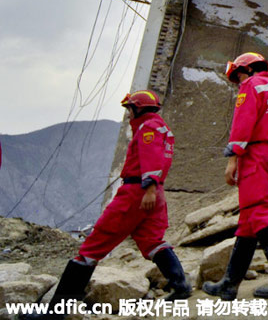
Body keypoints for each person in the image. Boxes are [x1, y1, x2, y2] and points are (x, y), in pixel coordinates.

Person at [23, 91, 190, 320]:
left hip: (137, 193)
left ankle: (54, 313)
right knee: (152, 241)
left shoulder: (147, 128)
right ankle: (180, 285)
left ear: (138, 108)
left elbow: (151, 158)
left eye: (130, 108)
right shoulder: (162, 127)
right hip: (154, 192)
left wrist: (149, 187)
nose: (128, 113)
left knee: (90, 249)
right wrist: (153, 188)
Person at [203, 52, 268, 301]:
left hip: (256, 154)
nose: (238, 82)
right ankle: (229, 283)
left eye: (238, 77)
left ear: (245, 70)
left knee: (260, 209)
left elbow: (243, 122)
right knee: (248, 221)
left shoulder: (251, 86)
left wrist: (233, 158)